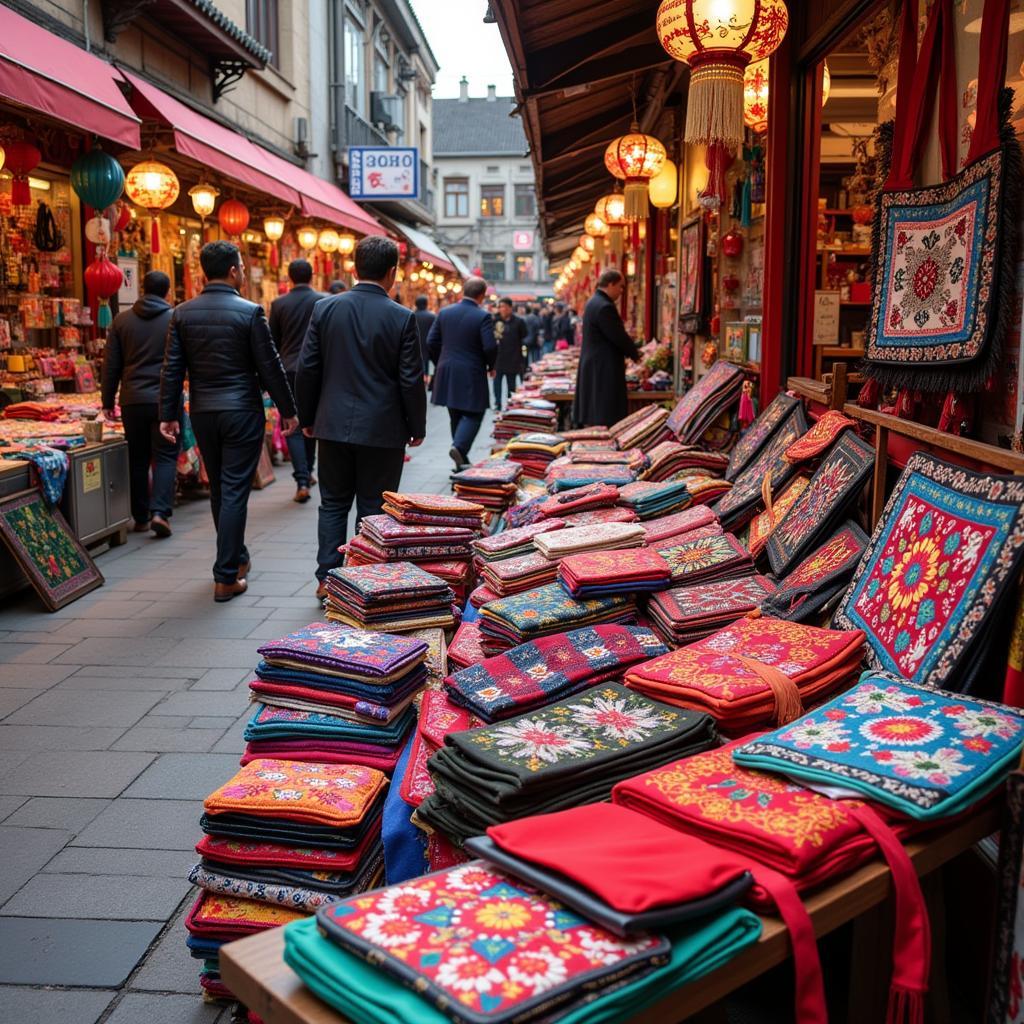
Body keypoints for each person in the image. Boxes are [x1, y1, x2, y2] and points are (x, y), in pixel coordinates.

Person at [160, 241, 298, 602]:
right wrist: (289, 409)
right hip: (241, 411)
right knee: (235, 488)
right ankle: (225, 576)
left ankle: (236, 558)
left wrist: (168, 415)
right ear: (234, 270)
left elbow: (172, 369)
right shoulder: (250, 312)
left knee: (222, 487)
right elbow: (270, 366)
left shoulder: (182, 313)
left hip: (204, 412)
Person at [295, 235, 426, 597]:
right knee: (374, 506)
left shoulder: (325, 309)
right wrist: (417, 426)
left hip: (332, 425)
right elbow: (410, 379)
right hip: (383, 428)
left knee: (333, 503)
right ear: (392, 273)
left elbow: (308, 369)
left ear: (354, 268)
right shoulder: (402, 317)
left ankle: (326, 577)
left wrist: (308, 416)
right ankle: (361, 576)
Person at [101, 270, 178, 538]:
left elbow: (111, 365)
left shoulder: (122, 321)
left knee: (138, 458)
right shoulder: (173, 319)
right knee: (166, 456)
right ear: (167, 291)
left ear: (142, 288)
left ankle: (141, 517)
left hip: (132, 399)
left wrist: (107, 400)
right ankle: (161, 512)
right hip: (165, 399)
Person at [427, 276, 496, 470]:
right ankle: (459, 447)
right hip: (471, 370)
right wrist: (491, 366)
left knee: (455, 412)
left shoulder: (444, 312)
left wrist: (440, 361)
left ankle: (461, 458)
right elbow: (489, 346)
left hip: (446, 370)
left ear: (463, 291)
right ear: (482, 295)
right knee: (475, 412)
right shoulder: (482, 316)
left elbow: (431, 341)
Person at [269, 259, 322, 504]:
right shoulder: (322, 301)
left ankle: (302, 479)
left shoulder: (279, 304)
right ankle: (307, 471)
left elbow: (273, 342)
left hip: (288, 369)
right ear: (312, 275)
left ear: (289, 277)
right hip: (316, 370)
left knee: (293, 422)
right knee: (310, 421)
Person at [572, 269, 640, 428]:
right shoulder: (605, 307)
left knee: (597, 406)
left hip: (597, 363)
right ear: (611, 284)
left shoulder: (594, 302)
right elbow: (618, 336)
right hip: (603, 365)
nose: (622, 291)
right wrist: (636, 354)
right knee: (604, 409)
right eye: (620, 287)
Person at [492, 297, 527, 411]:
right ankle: (497, 404)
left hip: (513, 358)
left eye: (504, 307)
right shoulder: (494, 321)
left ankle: (510, 403)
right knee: (496, 383)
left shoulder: (518, 322)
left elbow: (524, 337)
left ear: (510, 308)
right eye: (500, 307)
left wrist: (522, 358)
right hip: (497, 358)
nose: (502, 309)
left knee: (511, 384)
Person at [413, 294, 435, 381]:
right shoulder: (432, 316)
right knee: (427, 363)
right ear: (426, 303)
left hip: (415, 343)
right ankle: (427, 377)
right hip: (427, 344)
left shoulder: (412, 315)